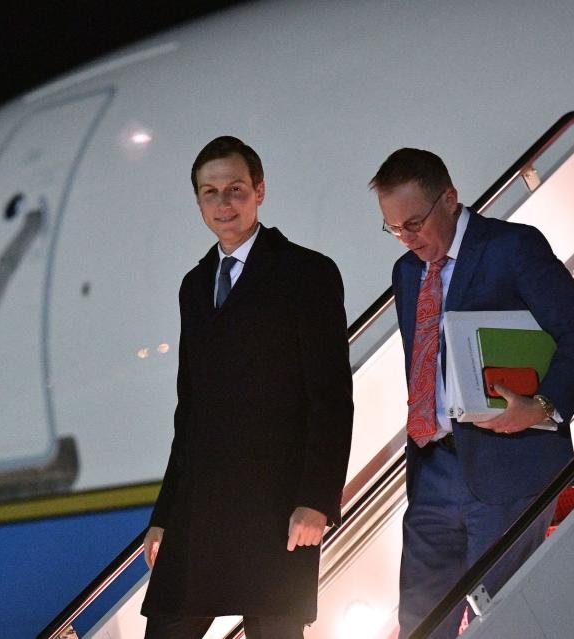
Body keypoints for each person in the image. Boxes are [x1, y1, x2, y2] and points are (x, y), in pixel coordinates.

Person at [370, 148, 574, 638]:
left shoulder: (512, 248)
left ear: (450, 199)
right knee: (419, 623)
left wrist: (540, 406)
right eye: (393, 228)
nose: (406, 239)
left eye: (413, 222)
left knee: (498, 621)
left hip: (508, 467)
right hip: (432, 469)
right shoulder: (406, 272)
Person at [140, 136, 354, 639]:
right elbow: (189, 409)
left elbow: (330, 395)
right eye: (210, 192)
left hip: (279, 504)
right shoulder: (194, 286)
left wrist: (317, 497)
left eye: (235, 188)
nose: (223, 203)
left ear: (259, 191)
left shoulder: (308, 272)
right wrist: (164, 514)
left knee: (275, 633)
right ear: (197, 202)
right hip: (201, 504)